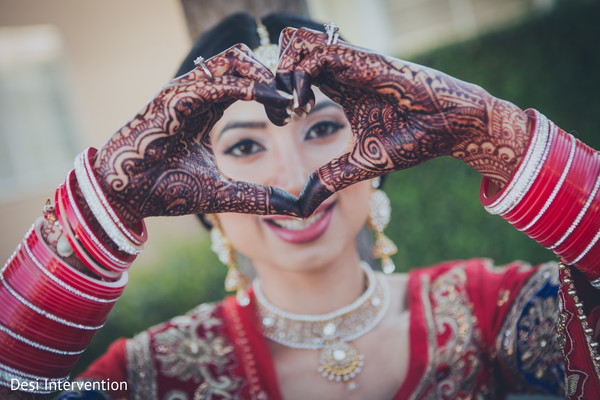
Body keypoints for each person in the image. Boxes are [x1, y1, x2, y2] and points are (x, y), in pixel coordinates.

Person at [0, 11, 599, 400]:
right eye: (243, 146)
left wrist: (489, 131)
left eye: (320, 130)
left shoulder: (489, 316)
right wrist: (102, 203)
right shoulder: (150, 376)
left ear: (383, 155)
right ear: (192, 192)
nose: (293, 178)